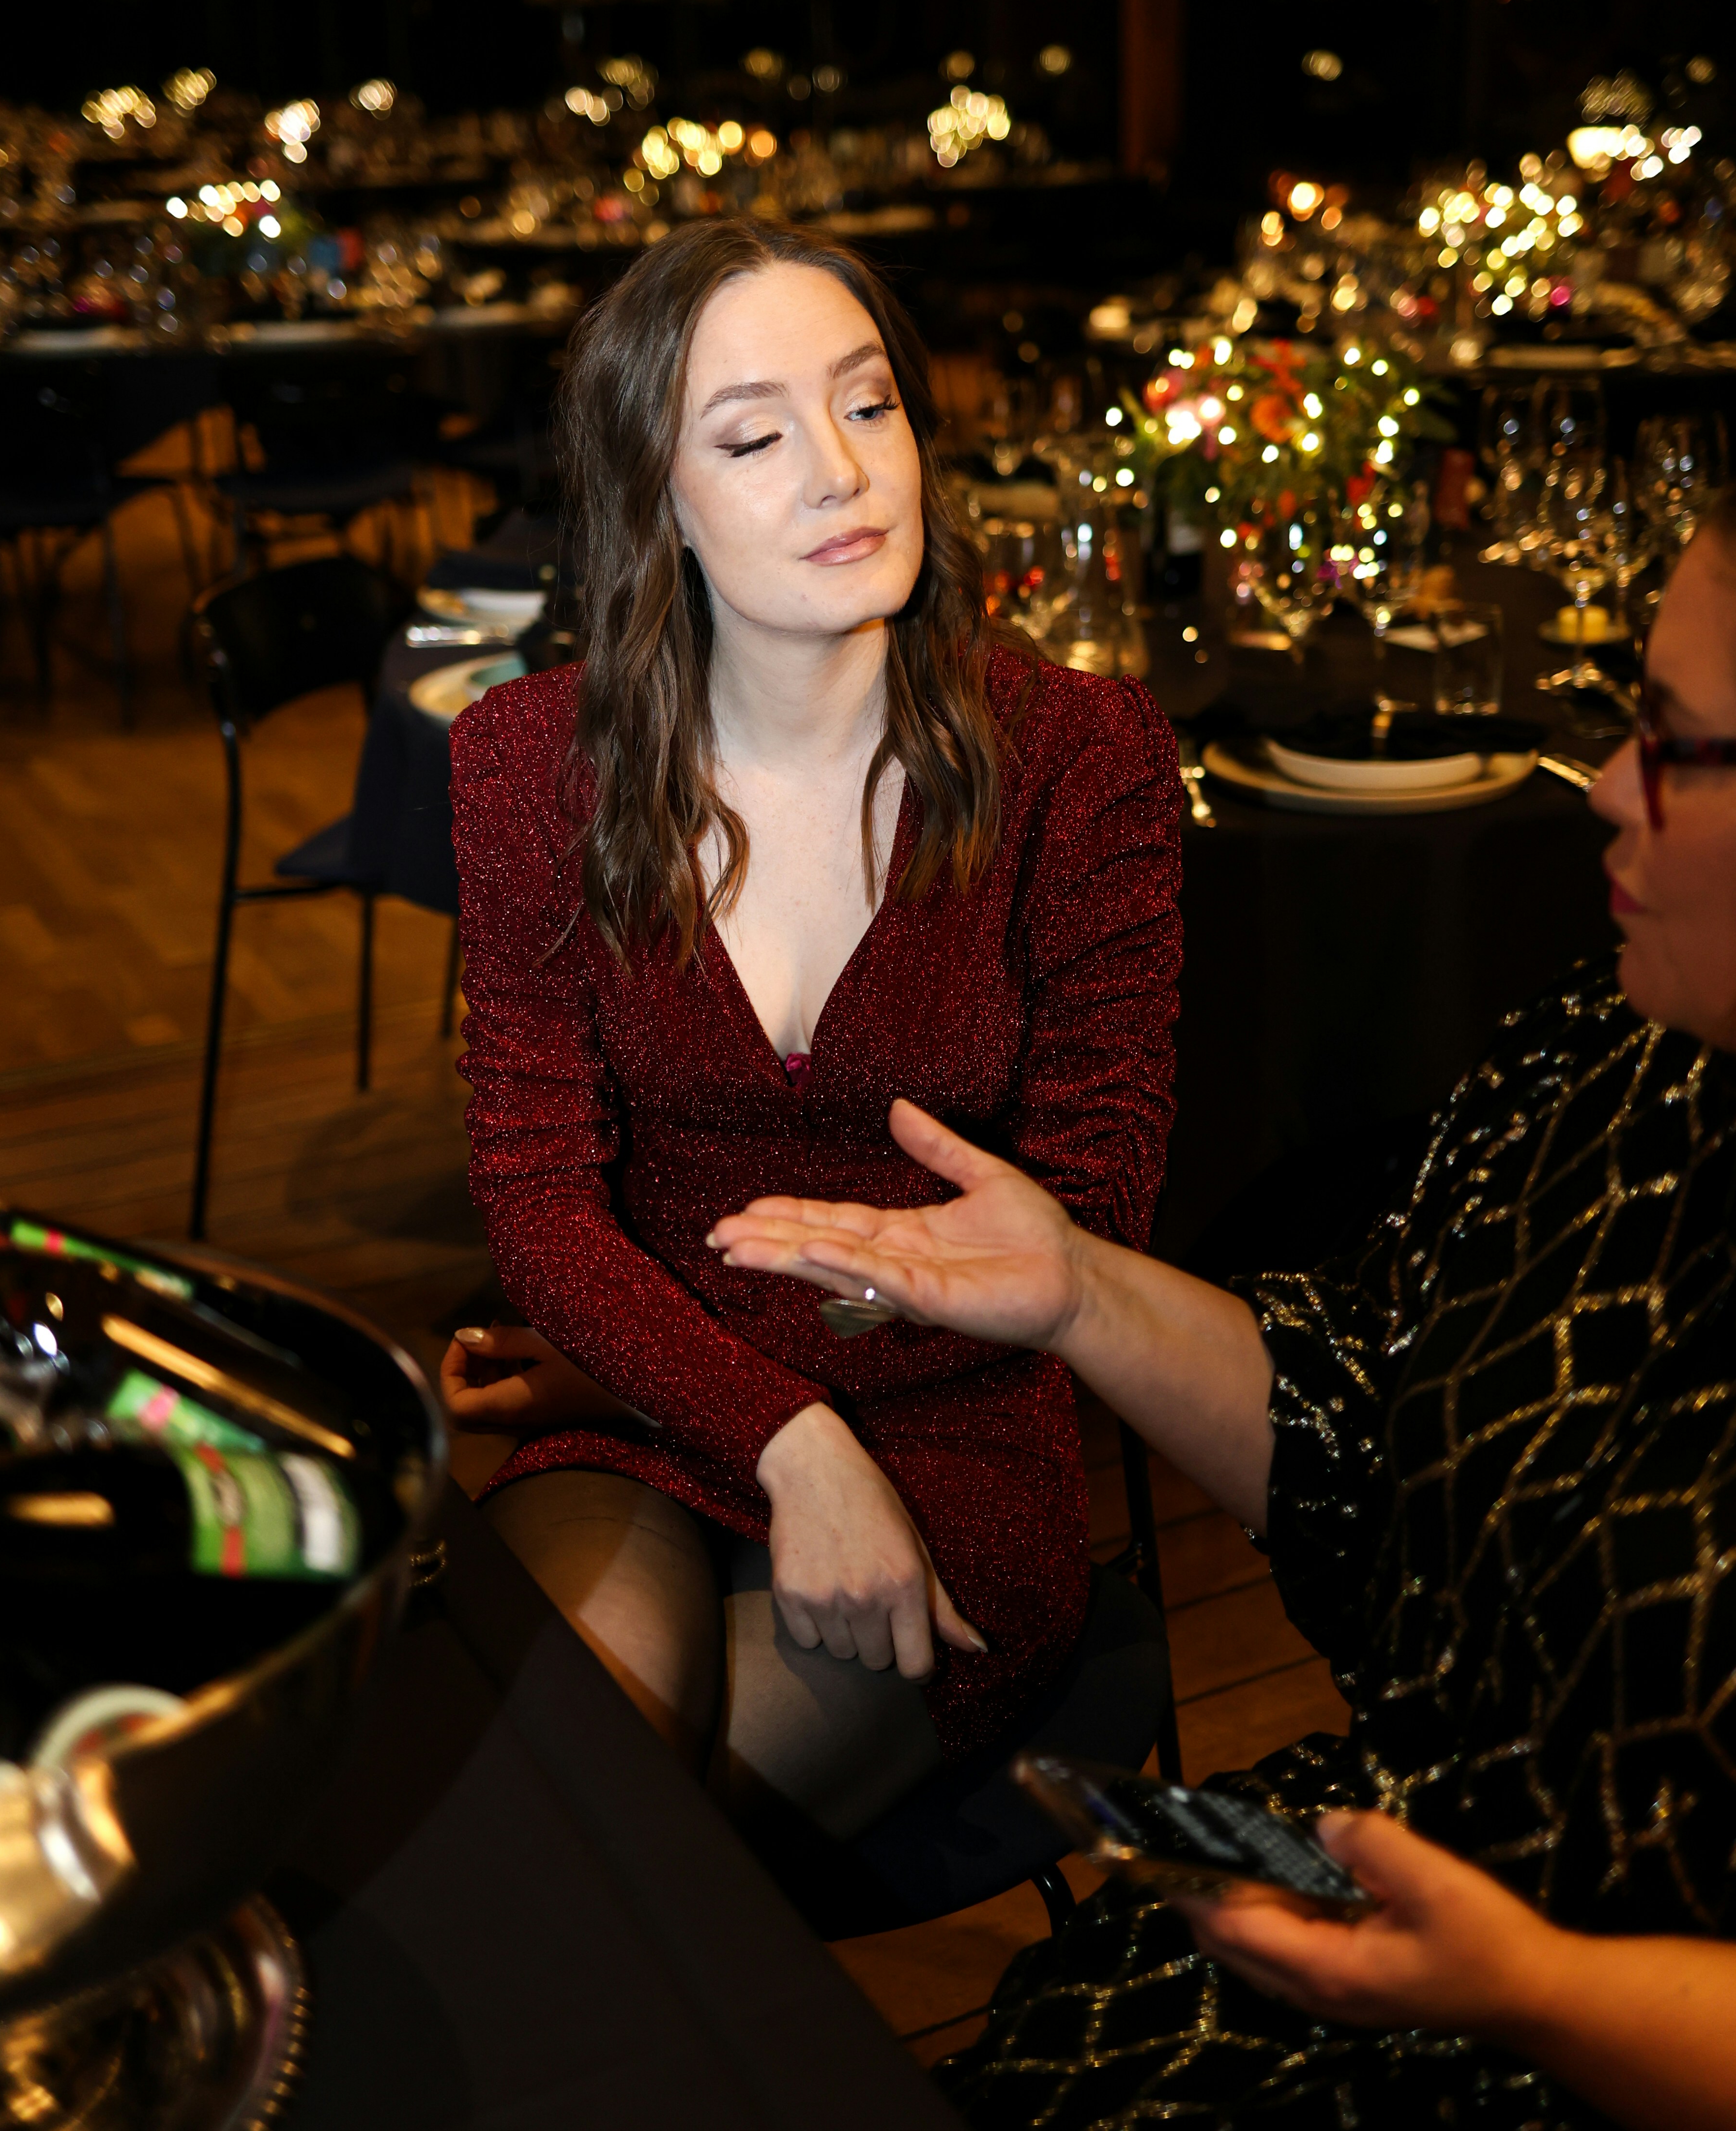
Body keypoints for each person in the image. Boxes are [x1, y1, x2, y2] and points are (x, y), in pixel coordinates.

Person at [712, 446, 1736, 2129]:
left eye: (1676, 745)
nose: (1608, 783)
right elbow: (1366, 1431)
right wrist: (1082, 1291)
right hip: (1417, 1912)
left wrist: (1538, 1985)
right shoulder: (1635, 1065)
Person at [441, 216, 1182, 1850]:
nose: (841, 472)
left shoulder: (1082, 755)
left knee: (638, 1861)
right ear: (660, 503)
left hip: (955, 1440)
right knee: (544, 1807)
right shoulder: (526, 766)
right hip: (645, 1419)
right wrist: (781, 1426)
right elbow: (538, 1200)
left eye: (870, 406)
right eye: (755, 435)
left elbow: (1085, 1224)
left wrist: (829, 1423)